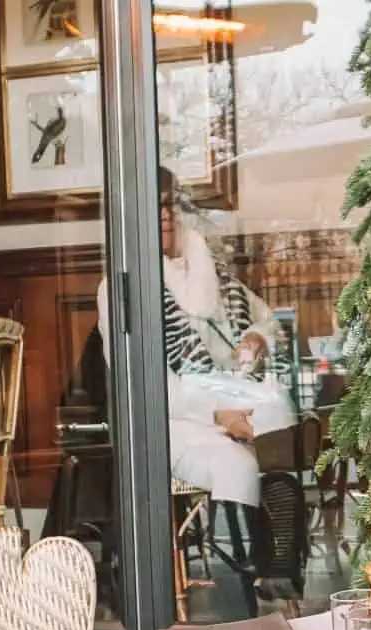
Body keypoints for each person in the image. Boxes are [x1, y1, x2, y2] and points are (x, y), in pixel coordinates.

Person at [96, 167, 272, 507]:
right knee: (237, 465)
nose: (164, 214)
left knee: (293, 436)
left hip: (238, 402)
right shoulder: (121, 289)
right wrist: (218, 412)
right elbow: (149, 387)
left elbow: (267, 319)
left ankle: (282, 542)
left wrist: (255, 337)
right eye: (153, 206)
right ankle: (252, 555)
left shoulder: (210, 270)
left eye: (170, 204)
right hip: (174, 423)